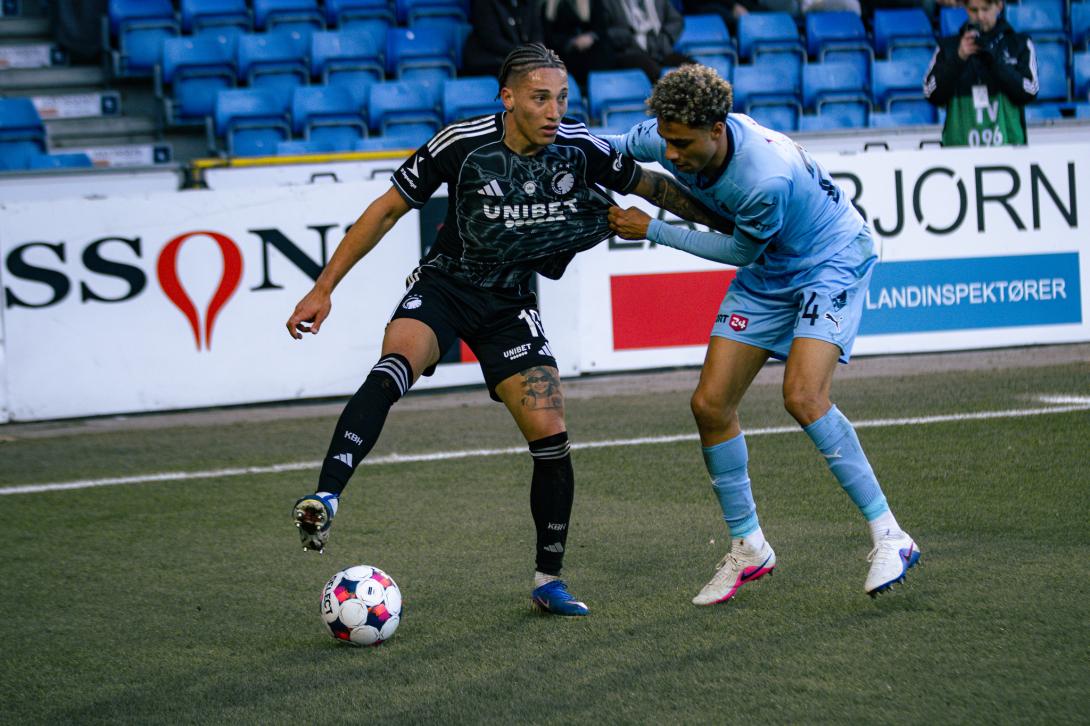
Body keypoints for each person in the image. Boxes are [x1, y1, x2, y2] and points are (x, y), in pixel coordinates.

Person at [286, 44, 726, 617]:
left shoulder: (578, 148)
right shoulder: (462, 143)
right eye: (541, 98)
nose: (554, 111)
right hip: (445, 288)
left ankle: (549, 581)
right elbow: (387, 209)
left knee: (551, 433)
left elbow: (654, 188)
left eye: (562, 98)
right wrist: (323, 288)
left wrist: (730, 223)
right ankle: (327, 495)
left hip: (510, 304)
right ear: (508, 97)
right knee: (394, 367)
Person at [605, 64, 921, 605]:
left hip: (829, 260)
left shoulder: (762, 178)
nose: (671, 154)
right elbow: (612, 145)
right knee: (710, 404)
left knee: (803, 396)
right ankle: (749, 545)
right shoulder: (670, 135)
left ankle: (890, 534)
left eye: (682, 145)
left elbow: (739, 251)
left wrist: (652, 228)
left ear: (717, 129)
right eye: (666, 141)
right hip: (774, 266)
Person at [924, 0, 1039, 147]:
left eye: (985, 9)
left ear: (999, 5)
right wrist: (958, 58)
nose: (980, 16)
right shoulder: (948, 47)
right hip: (958, 151)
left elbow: (1029, 93)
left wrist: (995, 62)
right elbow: (931, 94)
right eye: (974, 10)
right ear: (965, 8)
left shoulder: (1019, 44)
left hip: (1009, 148)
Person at [599, 0, 693, 83]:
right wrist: (631, 35)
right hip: (627, 52)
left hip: (660, 50)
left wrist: (664, 39)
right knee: (654, 71)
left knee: (694, 70)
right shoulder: (607, 2)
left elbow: (676, 20)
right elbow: (604, 30)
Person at [462, 0, 547, 78]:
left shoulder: (531, 3)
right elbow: (492, 40)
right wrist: (525, 54)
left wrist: (536, 53)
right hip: (490, 59)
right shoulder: (484, 2)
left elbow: (537, 33)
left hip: (521, 57)